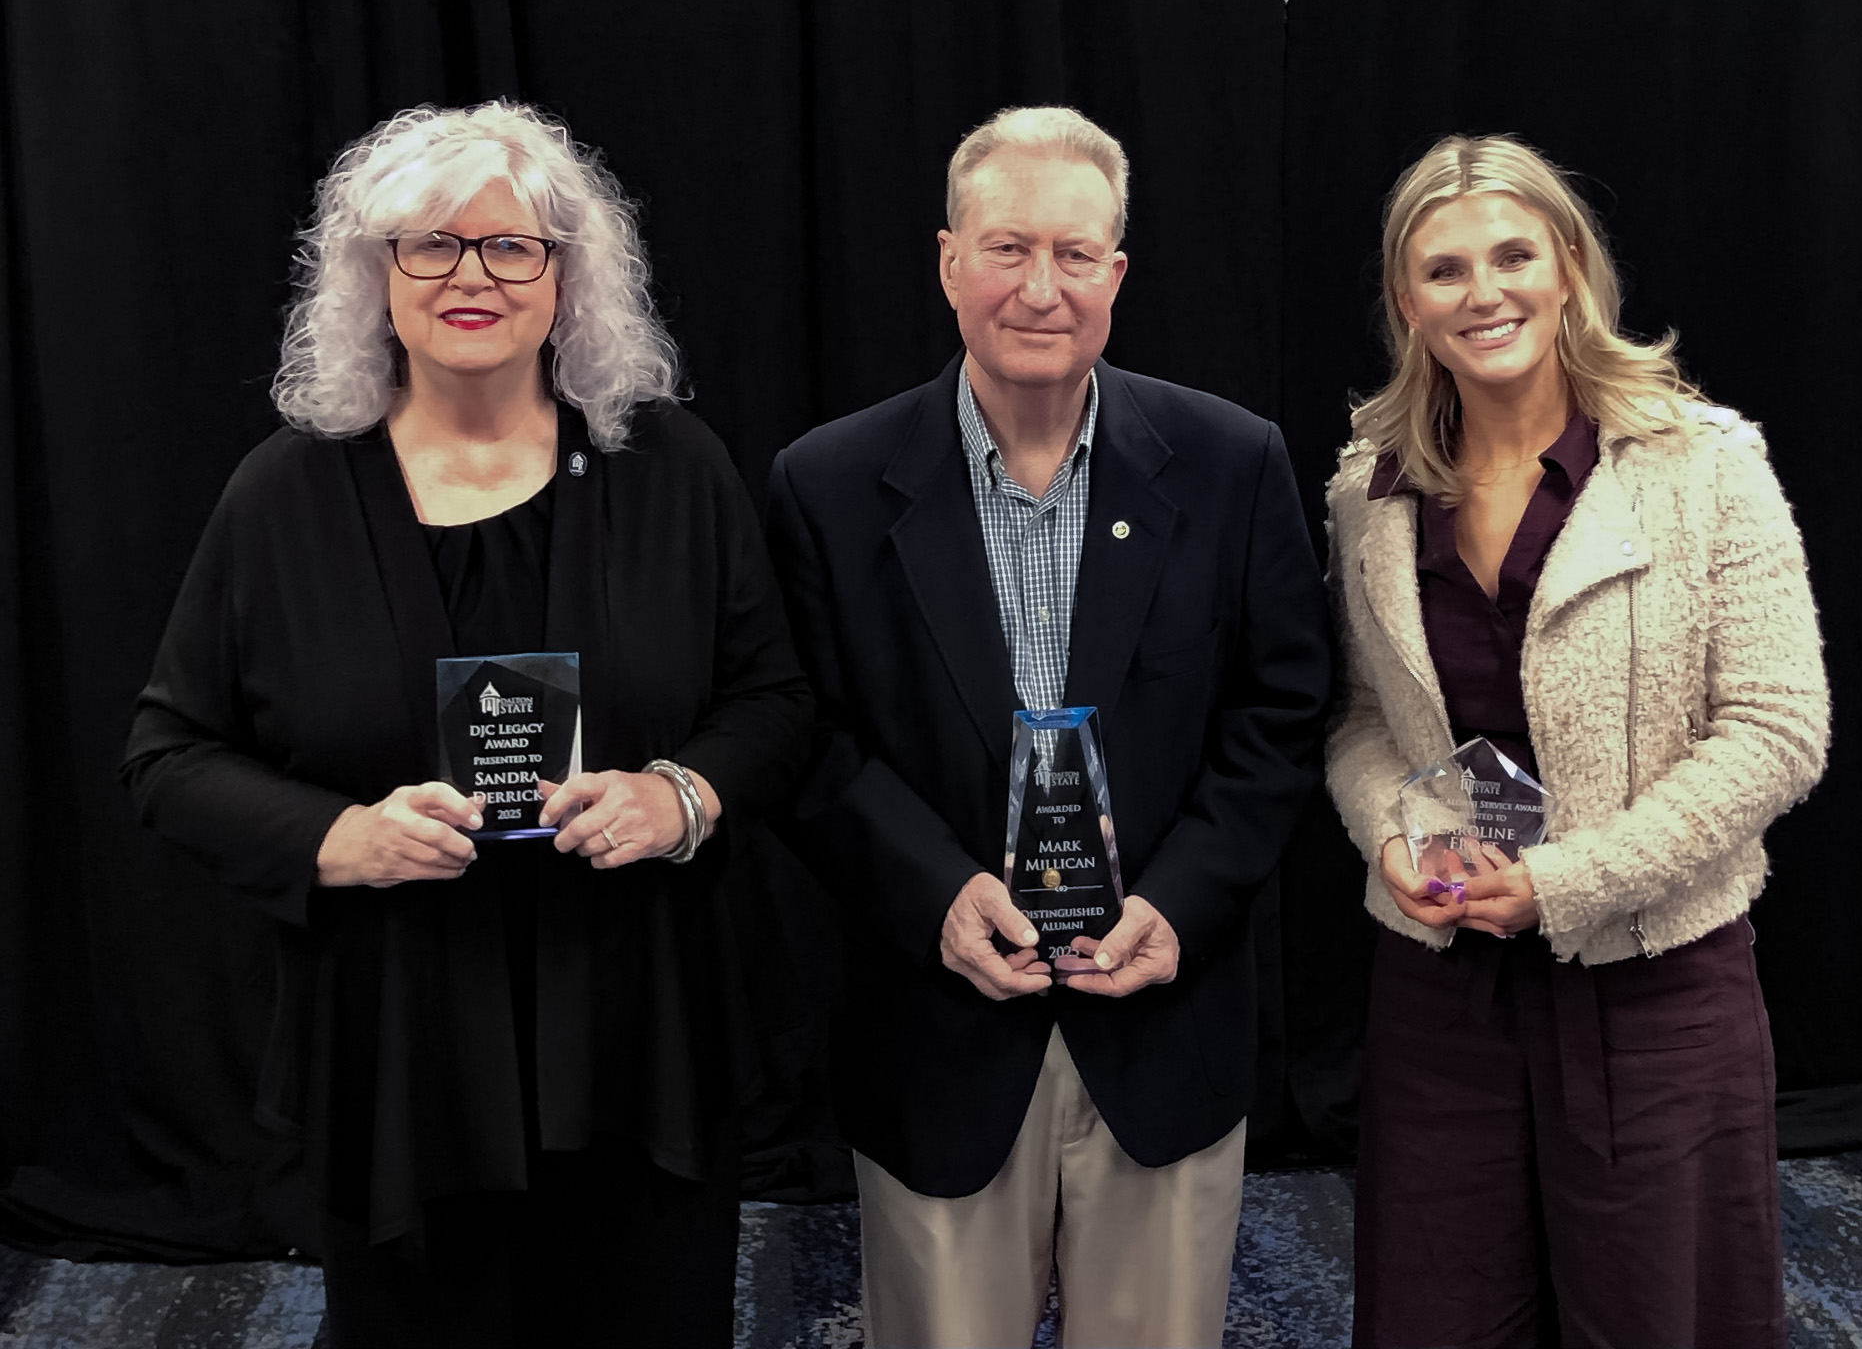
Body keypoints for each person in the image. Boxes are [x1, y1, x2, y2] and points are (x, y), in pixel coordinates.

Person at [122, 101, 811, 1347]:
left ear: (566, 278)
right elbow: (168, 758)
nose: (471, 276)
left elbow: (774, 702)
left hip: (635, 1035)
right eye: (428, 246)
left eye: (512, 247)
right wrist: (336, 837)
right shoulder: (285, 495)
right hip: (399, 1056)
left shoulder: (672, 469)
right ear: (374, 277)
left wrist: (682, 797)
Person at [765, 106, 1329, 1348]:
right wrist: (934, 896)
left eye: (1074, 255)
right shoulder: (826, 483)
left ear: (1116, 273)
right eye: (1006, 247)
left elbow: (1280, 715)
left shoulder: (1232, 463)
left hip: (1159, 1020)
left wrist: (1179, 901)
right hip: (939, 1024)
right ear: (948, 260)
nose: (1040, 287)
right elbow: (805, 735)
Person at [1325, 132, 1830, 1348]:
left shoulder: (1704, 465)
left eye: (1511, 255)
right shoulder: (1368, 488)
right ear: (1407, 302)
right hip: (1443, 989)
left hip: (1654, 987)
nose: (1482, 292)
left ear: (1568, 268)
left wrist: (1558, 886)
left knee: (1659, 1320)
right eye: (1443, 270)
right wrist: (1394, 836)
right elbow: (1355, 724)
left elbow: (1777, 731)